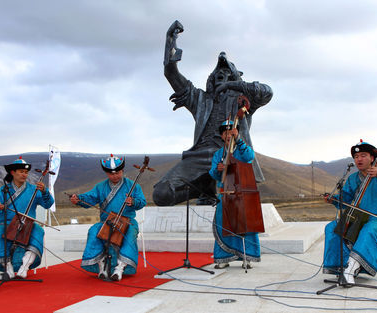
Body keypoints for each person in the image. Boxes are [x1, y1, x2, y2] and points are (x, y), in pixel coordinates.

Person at [153, 20, 273, 206]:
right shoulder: (199, 98)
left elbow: (267, 92)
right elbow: (171, 73)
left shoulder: (242, 100)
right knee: (161, 194)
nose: (221, 74)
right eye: (218, 72)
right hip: (198, 156)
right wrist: (170, 42)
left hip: (228, 154)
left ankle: (213, 186)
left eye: (226, 72)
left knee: (235, 203)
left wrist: (233, 85)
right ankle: (202, 186)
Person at [323, 140, 377, 284]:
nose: (359, 159)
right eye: (356, 157)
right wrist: (333, 200)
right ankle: (339, 267)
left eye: (363, 155)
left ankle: (351, 269)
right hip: (357, 219)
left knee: (368, 230)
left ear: (372, 158)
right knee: (331, 227)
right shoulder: (353, 178)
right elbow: (346, 199)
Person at [69, 154, 146, 281]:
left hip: (128, 221)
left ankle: (120, 268)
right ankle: (102, 266)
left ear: (122, 171)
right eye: (111, 174)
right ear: (106, 173)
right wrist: (79, 199)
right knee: (94, 230)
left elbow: (142, 201)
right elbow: (90, 198)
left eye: (118, 173)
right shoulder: (100, 187)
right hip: (107, 221)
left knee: (130, 233)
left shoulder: (133, 185)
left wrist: (133, 201)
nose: (115, 176)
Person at [0, 156, 54, 279]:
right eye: (21, 172)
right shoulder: (3, 190)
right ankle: (8, 268)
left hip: (28, 222)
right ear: (13, 173)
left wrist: (44, 191)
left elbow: (48, 204)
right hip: (6, 223)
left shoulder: (34, 189)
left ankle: (25, 266)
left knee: (38, 231)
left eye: (26, 172)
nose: (24, 175)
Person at [209, 121, 261, 269]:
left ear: (236, 133)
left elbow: (249, 156)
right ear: (221, 135)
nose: (228, 135)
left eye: (231, 132)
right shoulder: (218, 154)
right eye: (225, 133)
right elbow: (213, 173)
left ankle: (247, 257)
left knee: (245, 226)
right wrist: (218, 170)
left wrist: (238, 139)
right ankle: (223, 258)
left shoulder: (242, 149)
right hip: (224, 194)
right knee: (222, 225)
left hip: (243, 193)